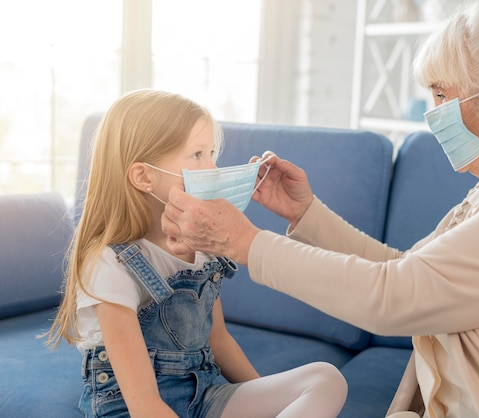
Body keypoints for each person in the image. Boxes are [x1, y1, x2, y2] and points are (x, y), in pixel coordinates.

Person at [160, 1, 479, 417]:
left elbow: (398, 296)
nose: (432, 112)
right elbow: (412, 273)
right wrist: (305, 215)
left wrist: (241, 242)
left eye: (443, 95)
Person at [45, 89, 347, 418]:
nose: (213, 168)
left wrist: (270, 404)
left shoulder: (201, 247)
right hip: (132, 408)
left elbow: (219, 340)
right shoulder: (110, 262)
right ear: (144, 176)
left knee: (325, 379)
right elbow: (144, 403)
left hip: (204, 395)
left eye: (212, 153)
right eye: (198, 155)